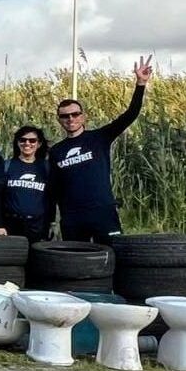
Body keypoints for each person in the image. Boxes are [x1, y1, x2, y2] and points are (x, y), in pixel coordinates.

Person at [50, 55, 153, 244]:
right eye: (65, 116)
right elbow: (53, 189)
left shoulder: (100, 137)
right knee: (75, 263)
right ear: (59, 120)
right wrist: (51, 221)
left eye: (75, 114)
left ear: (83, 117)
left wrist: (140, 84)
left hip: (102, 212)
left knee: (113, 256)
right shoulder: (56, 151)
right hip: (72, 217)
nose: (70, 119)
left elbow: (130, 115)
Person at [3, 125, 55, 243]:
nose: (27, 143)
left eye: (32, 140)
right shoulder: (7, 165)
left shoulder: (46, 167)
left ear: (39, 144)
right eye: (23, 140)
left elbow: (51, 198)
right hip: (10, 225)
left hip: (37, 226)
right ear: (17, 142)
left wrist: (52, 223)